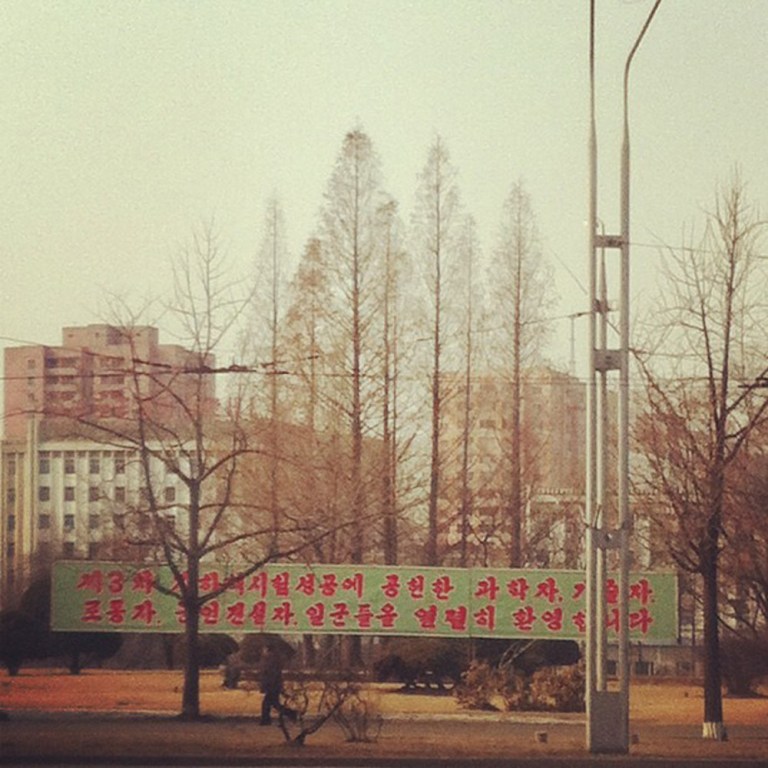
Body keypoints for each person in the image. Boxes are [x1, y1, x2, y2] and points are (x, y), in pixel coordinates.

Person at [258, 644, 294, 725]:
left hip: (272, 685)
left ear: (267, 649)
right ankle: (291, 713)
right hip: (274, 685)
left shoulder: (269, 659)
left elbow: (269, 674)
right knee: (274, 703)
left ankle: (266, 720)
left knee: (268, 703)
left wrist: (266, 685)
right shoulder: (273, 658)